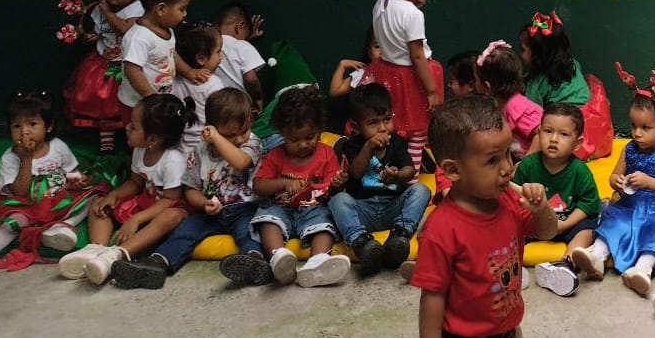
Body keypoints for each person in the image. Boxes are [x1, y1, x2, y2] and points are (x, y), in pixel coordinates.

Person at [411, 95, 558, 338]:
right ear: (453, 170)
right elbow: (432, 298)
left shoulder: (510, 199)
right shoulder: (440, 230)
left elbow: (547, 232)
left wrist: (541, 209)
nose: (507, 168)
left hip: (508, 331)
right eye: (492, 160)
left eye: (507, 153)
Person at [109, 87, 275, 290]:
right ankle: (156, 264)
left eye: (244, 131)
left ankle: (254, 262)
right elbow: (190, 189)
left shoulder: (252, 142)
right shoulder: (199, 152)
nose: (240, 139)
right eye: (231, 135)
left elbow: (241, 162)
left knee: (247, 231)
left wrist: (219, 138)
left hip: (245, 208)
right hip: (210, 212)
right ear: (210, 129)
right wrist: (203, 204)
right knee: (185, 231)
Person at [570, 63, 655, 301]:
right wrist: (616, 181)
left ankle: (643, 269)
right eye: (633, 126)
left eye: (645, 127)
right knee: (614, 220)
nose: (637, 133)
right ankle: (597, 256)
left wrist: (649, 182)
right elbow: (614, 176)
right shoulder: (629, 149)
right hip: (632, 204)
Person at [0, 92, 102, 286]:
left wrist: (80, 179)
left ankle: (62, 227)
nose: (24, 132)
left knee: (94, 196)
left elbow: (70, 172)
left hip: (58, 196)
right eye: (17, 126)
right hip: (28, 203)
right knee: (13, 221)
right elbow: (19, 192)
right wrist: (26, 159)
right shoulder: (10, 157)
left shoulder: (58, 146)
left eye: (32, 124)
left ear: (48, 126)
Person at [58, 93, 193, 286]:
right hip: (146, 202)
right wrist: (113, 195)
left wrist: (136, 219)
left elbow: (170, 199)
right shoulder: (140, 150)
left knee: (173, 215)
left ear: (152, 139)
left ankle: (115, 256)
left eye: (134, 126)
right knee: (100, 203)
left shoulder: (173, 161)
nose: (127, 127)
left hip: (166, 207)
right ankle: (95, 250)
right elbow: (135, 183)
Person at [245, 84, 348, 287]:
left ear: (320, 130)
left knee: (324, 226)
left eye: (310, 137)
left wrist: (337, 183)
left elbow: (332, 189)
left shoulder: (327, 154)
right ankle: (279, 258)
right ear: (282, 133)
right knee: (267, 221)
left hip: (314, 209)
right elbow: (258, 186)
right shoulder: (275, 155)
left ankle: (318, 262)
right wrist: (283, 183)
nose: (303, 144)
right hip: (280, 207)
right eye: (294, 139)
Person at [332, 83, 431, 276]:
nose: (383, 128)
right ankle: (363, 244)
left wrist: (397, 175)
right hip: (363, 210)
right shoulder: (352, 145)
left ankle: (399, 236)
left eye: (387, 119)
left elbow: (410, 170)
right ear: (356, 126)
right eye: (373, 123)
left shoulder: (397, 142)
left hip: (392, 208)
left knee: (421, 190)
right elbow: (355, 174)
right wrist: (368, 147)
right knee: (338, 200)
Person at [364, 0, 442, 167]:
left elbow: (394, 30)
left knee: (397, 129)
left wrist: (411, 4)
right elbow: (417, 55)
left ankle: (394, 169)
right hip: (412, 80)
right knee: (417, 133)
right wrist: (431, 91)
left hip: (387, 75)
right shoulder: (412, 14)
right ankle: (412, 174)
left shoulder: (381, 4)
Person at [516, 102, 602, 298]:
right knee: (509, 223)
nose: (554, 139)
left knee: (588, 229)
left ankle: (566, 265)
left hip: (567, 224)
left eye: (563, 134)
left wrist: (564, 224)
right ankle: (514, 266)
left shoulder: (580, 170)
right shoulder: (527, 165)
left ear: (577, 143)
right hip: (534, 224)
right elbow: (515, 201)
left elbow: (589, 204)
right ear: (539, 133)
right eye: (548, 131)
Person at [61, 0, 144, 152]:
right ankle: (107, 143)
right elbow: (102, 32)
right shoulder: (100, 9)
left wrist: (107, 12)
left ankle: (134, 140)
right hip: (103, 63)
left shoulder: (137, 10)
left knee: (129, 105)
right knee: (103, 105)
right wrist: (92, 36)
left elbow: (124, 28)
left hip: (125, 65)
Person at [116, 0, 192, 117]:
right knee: (139, 131)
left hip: (158, 103)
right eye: (182, 9)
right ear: (161, 9)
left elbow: (171, 54)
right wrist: (152, 97)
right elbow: (132, 70)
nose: (185, 14)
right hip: (137, 105)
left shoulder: (167, 30)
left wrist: (189, 72)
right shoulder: (139, 37)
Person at [474, 40, 542, 160]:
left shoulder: (516, 106)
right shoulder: (500, 104)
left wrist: (525, 164)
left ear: (487, 86)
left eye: (475, 79)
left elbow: (542, 133)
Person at [169, 23, 226, 151]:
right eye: (218, 51)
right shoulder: (214, 84)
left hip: (179, 146)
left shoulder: (174, 81)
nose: (221, 56)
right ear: (201, 58)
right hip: (204, 146)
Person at [520, 11, 588, 107]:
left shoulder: (536, 86)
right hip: (590, 110)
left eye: (523, 49)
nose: (520, 54)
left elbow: (530, 111)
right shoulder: (574, 64)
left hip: (563, 115)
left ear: (538, 55)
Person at [213, 1, 267, 116]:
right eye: (246, 34)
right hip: (238, 107)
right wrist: (258, 99)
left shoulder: (208, 45)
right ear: (240, 26)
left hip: (214, 105)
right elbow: (250, 79)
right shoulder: (243, 46)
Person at [329, 25, 382, 100]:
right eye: (377, 46)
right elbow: (334, 91)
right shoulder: (363, 74)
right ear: (369, 51)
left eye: (389, 46)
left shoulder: (399, 72)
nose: (383, 52)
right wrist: (342, 64)